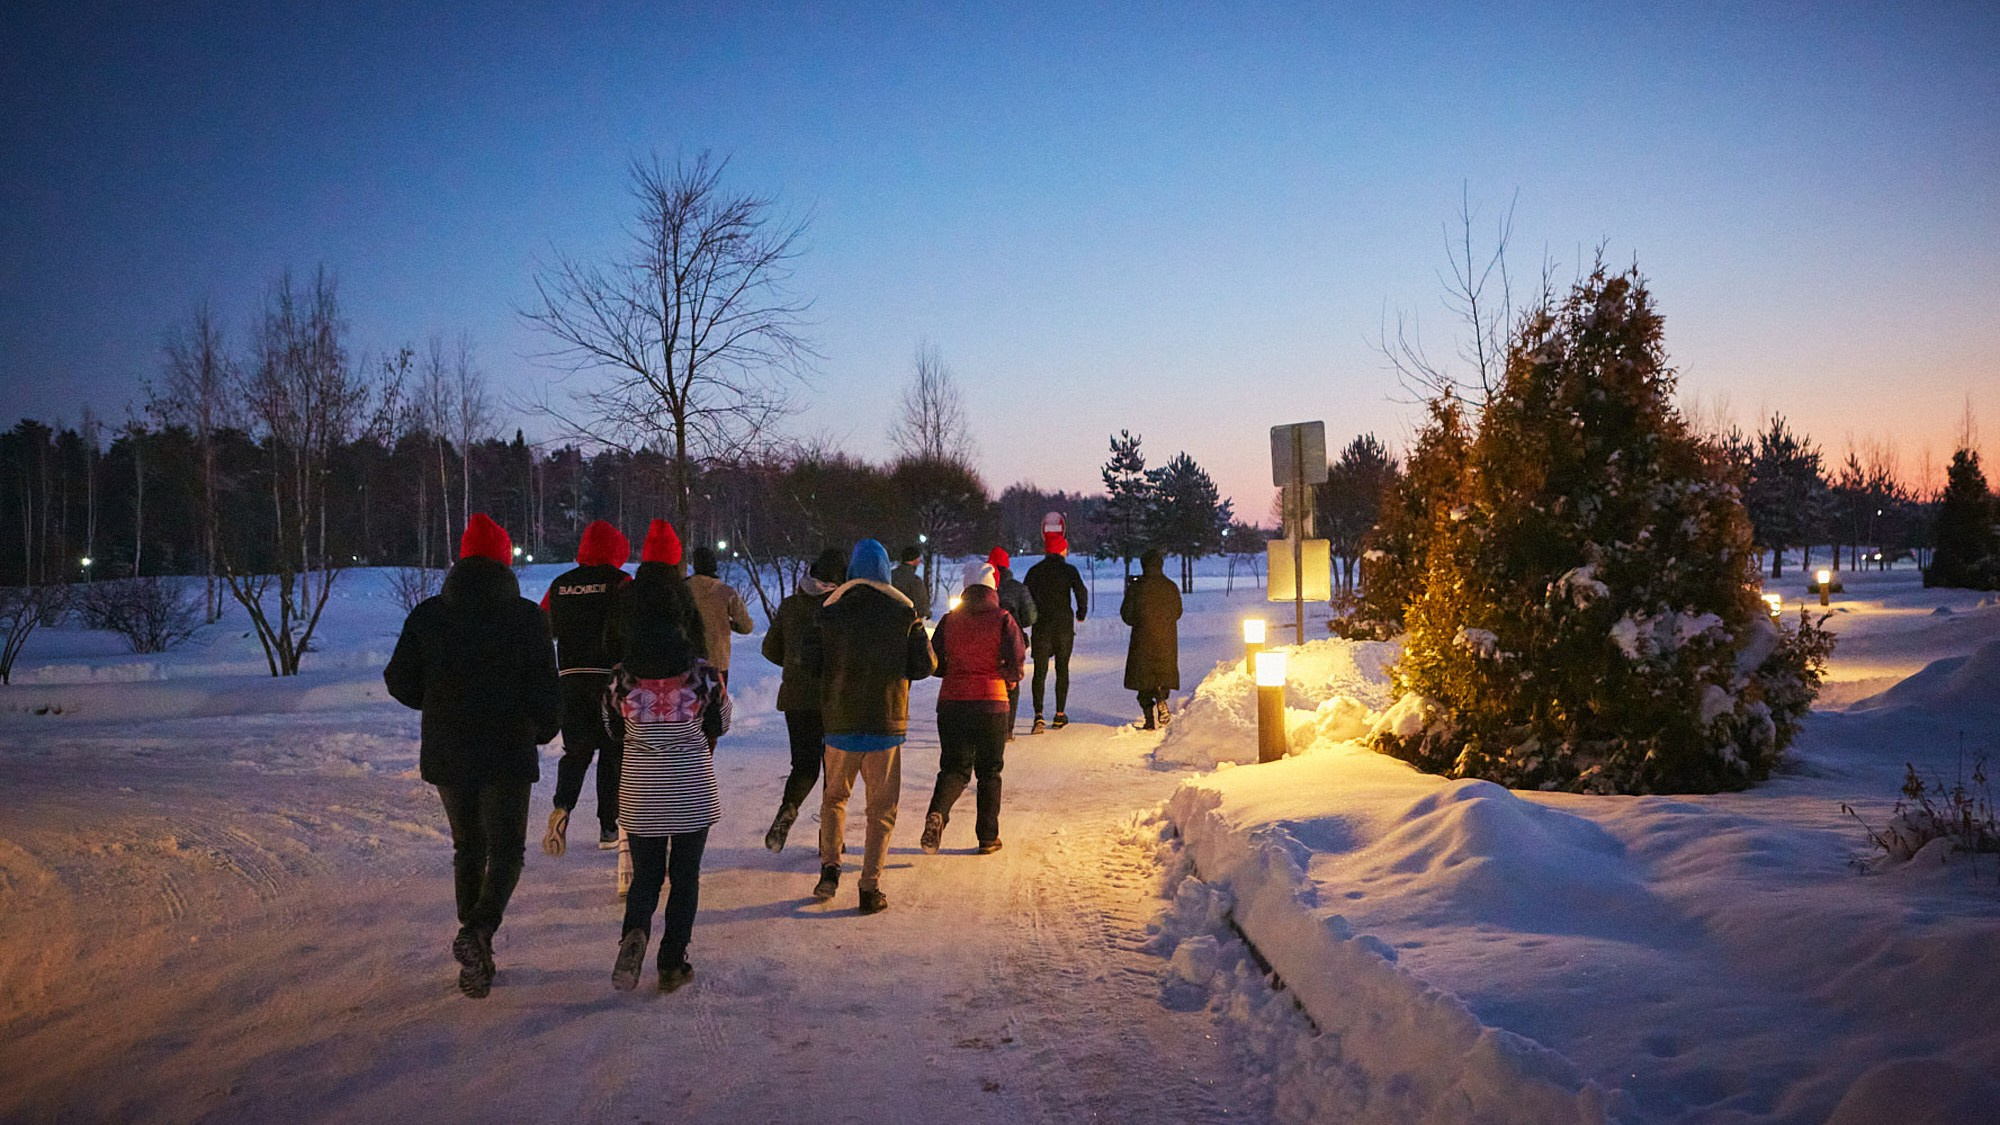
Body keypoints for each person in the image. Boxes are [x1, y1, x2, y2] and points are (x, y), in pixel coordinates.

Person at [384, 513, 562, 999]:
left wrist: (438, 702)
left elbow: (398, 680)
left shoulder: (427, 615)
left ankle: (475, 945)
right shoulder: (527, 618)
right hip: (506, 751)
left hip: (448, 751)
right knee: (506, 851)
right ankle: (479, 932)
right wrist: (541, 729)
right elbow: (548, 694)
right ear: (505, 562)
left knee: (468, 847)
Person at [602, 518, 730, 994]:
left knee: (646, 878)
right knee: (685, 879)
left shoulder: (621, 678)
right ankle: (672, 963)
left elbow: (613, 730)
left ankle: (634, 934)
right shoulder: (700, 674)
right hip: (691, 792)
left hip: (640, 792)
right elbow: (720, 723)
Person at [805, 538, 935, 913]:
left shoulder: (828, 611)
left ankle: (830, 869)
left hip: (840, 724)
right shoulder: (903, 611)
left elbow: (809, 661)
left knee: (834, 798)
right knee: (881, 809)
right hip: (885, 725)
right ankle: (869, 887)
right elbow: (923, 667)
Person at [602, 519, 707, 901]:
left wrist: (620, 689)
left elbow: (610, 644)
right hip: (682, 713)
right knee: (680, 798)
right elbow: (699, 650)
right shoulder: (682, 597)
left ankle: (630, 874)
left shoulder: (626, 594)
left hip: (630, 703)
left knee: (634, 786)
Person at [920, 561, 1026, 856]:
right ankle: (988, 837)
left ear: (966, 588)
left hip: (952, 703)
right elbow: (1016, 658)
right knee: (990, 771)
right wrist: (1010, 676)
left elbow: (935, 662)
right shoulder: (1003, 618)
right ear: (992, 587)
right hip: (991, 703)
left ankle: (938, 813)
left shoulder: (949, 620)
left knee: (953, 768)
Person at [539, 519, 631, 856]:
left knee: (576, 751)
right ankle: (608, 827)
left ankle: (562, 808)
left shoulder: (560, 584)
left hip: (571, 677)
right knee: (612, 753)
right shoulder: (621, 583)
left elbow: (543, 624)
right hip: (609, 679)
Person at [759, 546, 845, 852]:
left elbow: (769, 649)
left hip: (795, 699)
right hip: (833, 700)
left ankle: (788, 809)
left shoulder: (791, 605)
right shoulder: (840, 607)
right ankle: (829, 839)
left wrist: (794, 665)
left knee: (804, 766)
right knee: (834, 771)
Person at [1023, 531, 1089, 732]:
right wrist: (1081, 612)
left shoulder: (1035, 571)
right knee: (1062, 669)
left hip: (1041, 625)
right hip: (1063, 627)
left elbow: (1025, 595)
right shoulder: (1069, 570)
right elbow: (1081, 591)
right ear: (1062, 549)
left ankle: (1039, 716)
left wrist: (1028, 616)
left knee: (1040, 672)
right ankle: (1060, 715)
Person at [1121, 547, 1183, 730]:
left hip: (1142, 639)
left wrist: (1140, 621)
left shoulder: (1137, 587)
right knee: (1162, 674)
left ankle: (1149, 717)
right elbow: (1177, 612)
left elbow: (1126, 614)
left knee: (1144, 679)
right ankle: (1162, 698)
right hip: (1166, 639)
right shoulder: (1170, 586)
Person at [987, 547, 1038, 739]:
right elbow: (1030, 616)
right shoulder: (1018, 588)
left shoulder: (982, 586)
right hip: (1012, 640)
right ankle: (1008, 727)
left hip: (987, 640)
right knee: (1012, 680)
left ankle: (990, 723)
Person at [687, 545, 755, 685]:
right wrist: (727, 623)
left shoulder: (682, 589)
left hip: (687, 659)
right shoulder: (726, 592)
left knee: (687, 705)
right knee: (716, 702)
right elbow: (746, 627)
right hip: (717, 660)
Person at [890, 543, 931, 619]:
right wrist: (927, 613)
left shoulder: (889, 576)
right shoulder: (915, 581)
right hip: (907, 622)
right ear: (916, 561)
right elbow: (922, 607)